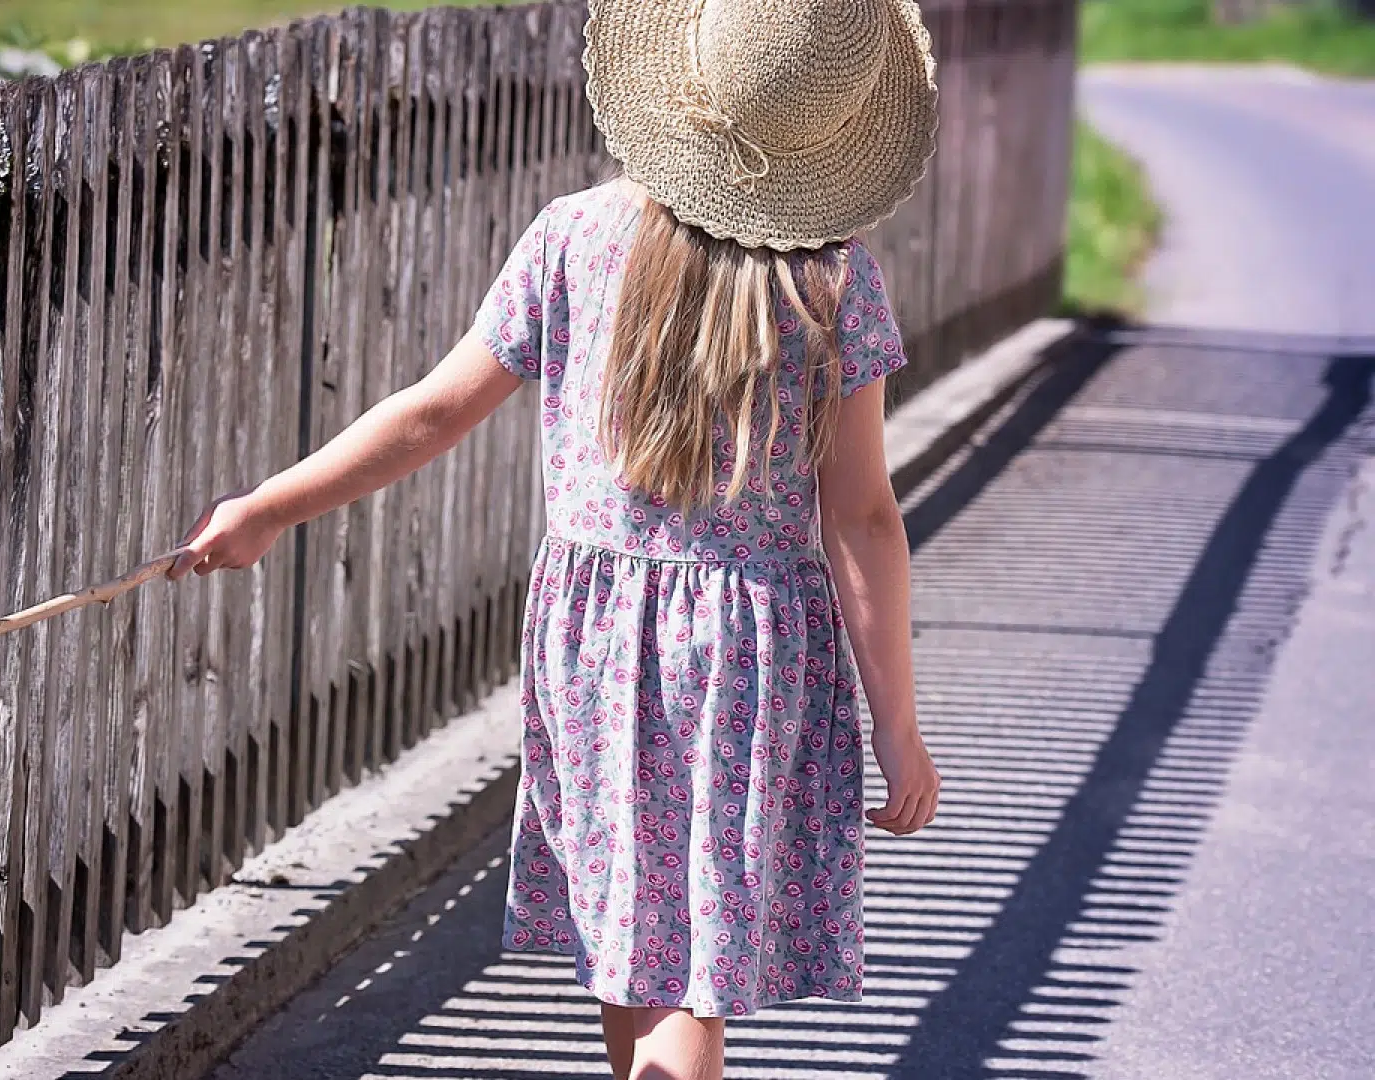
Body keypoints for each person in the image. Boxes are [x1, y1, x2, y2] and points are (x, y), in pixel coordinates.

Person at [170, 0, 942, 1075]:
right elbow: (861, 516)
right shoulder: (832, 281)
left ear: (682, 89)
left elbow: (430, 414)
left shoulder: (575, 237)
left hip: (597, 644)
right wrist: (897, 724)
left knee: (636, 953)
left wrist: (266, 509)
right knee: (686, 979)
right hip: (753, 652)